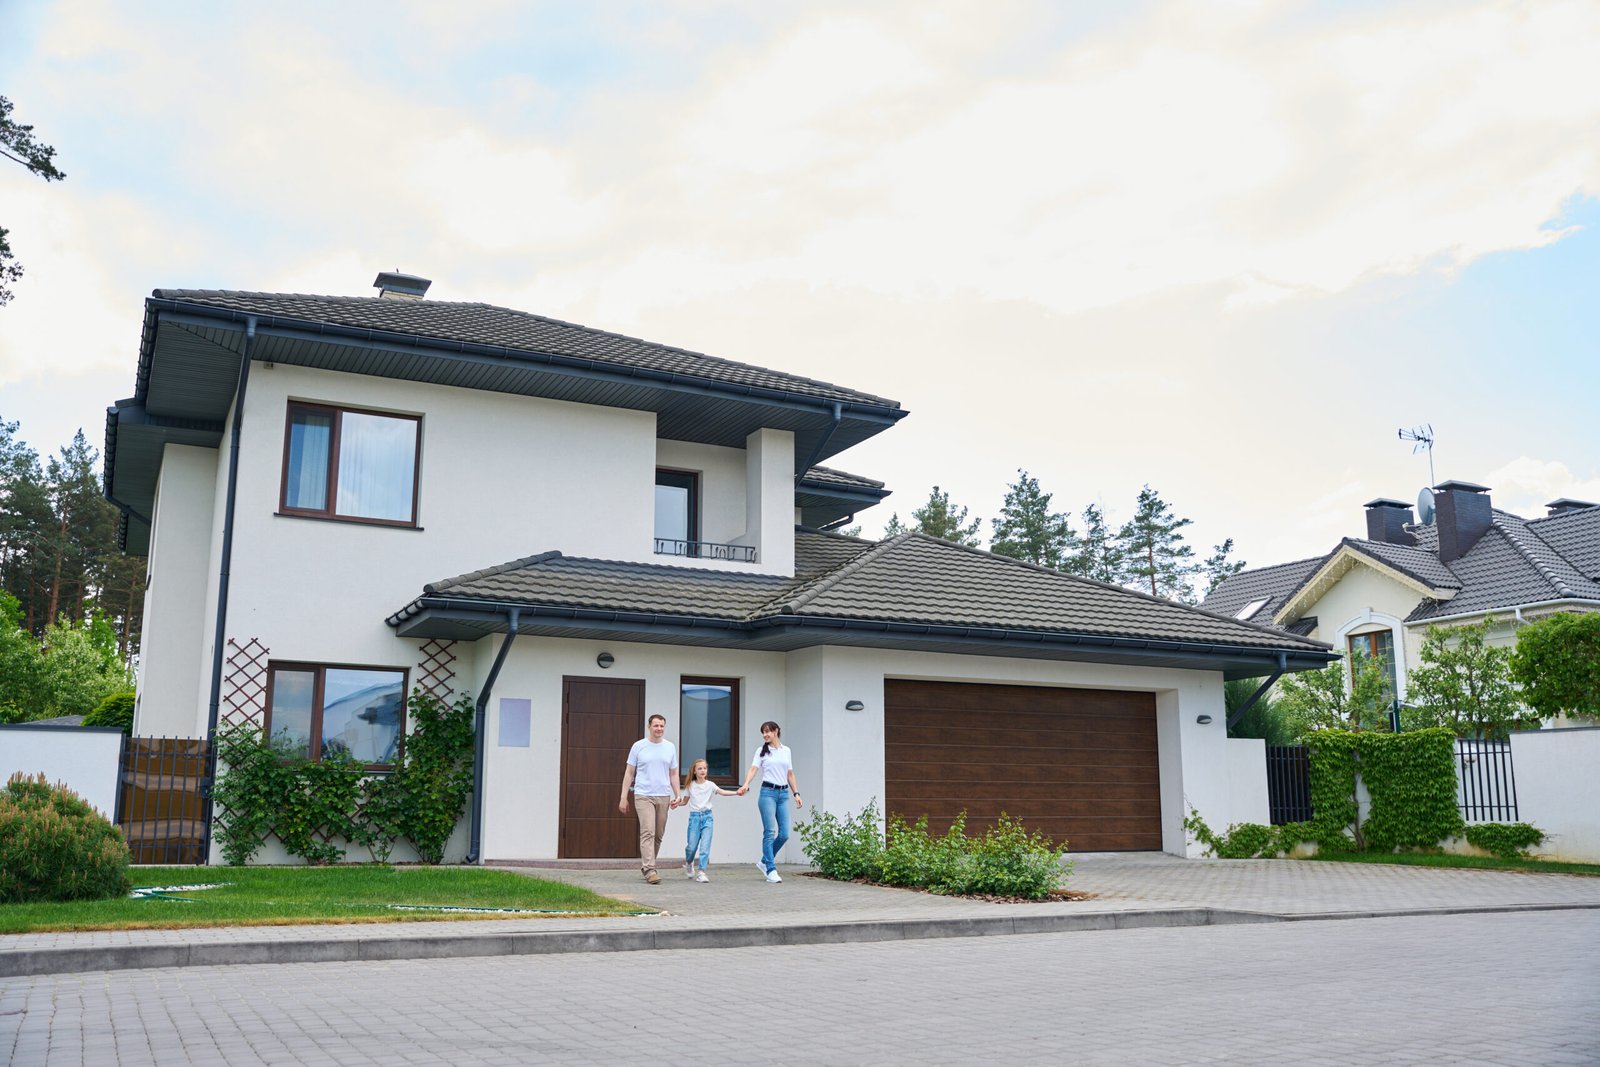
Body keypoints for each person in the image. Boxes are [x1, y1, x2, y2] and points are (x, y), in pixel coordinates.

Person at [737, 720, 803, 883]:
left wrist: (796, 793)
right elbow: (753, 769)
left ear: (776, 731)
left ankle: (764, 860)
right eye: (763, 732)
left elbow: (790, 774)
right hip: (767, 793)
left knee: (785, 834)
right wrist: (746, 784)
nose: (765, 735)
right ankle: (771, 870)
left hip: (783, 794)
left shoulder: (786, 750)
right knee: (769, 832)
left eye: (768, 731)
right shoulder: (761, 751)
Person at [619, 713, 680, 884]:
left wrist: (677, 795)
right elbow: (629, 772)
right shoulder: (639, 746)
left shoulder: (670, 747)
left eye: (662, 726)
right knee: (648, 831)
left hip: (663, 795)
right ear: (649, 727)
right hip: (643, 795)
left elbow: (674, 773)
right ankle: (650, 869)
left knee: (658, 834)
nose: (659, 729)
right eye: (656, 726)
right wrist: (623, 797)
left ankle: (648, 865)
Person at [680, 758, 737, 882]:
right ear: (694, 771)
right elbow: (684, 802)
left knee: (705, 847)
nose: (702, 771)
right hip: (694, 818)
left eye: (704, 768)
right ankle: (689, 863)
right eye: (699, 768)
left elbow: (722, 792)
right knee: (691, 847)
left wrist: (737, 792)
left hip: (707, 818)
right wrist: (675, 804)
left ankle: (702, 872)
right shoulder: (690, 786)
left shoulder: (710, 785)